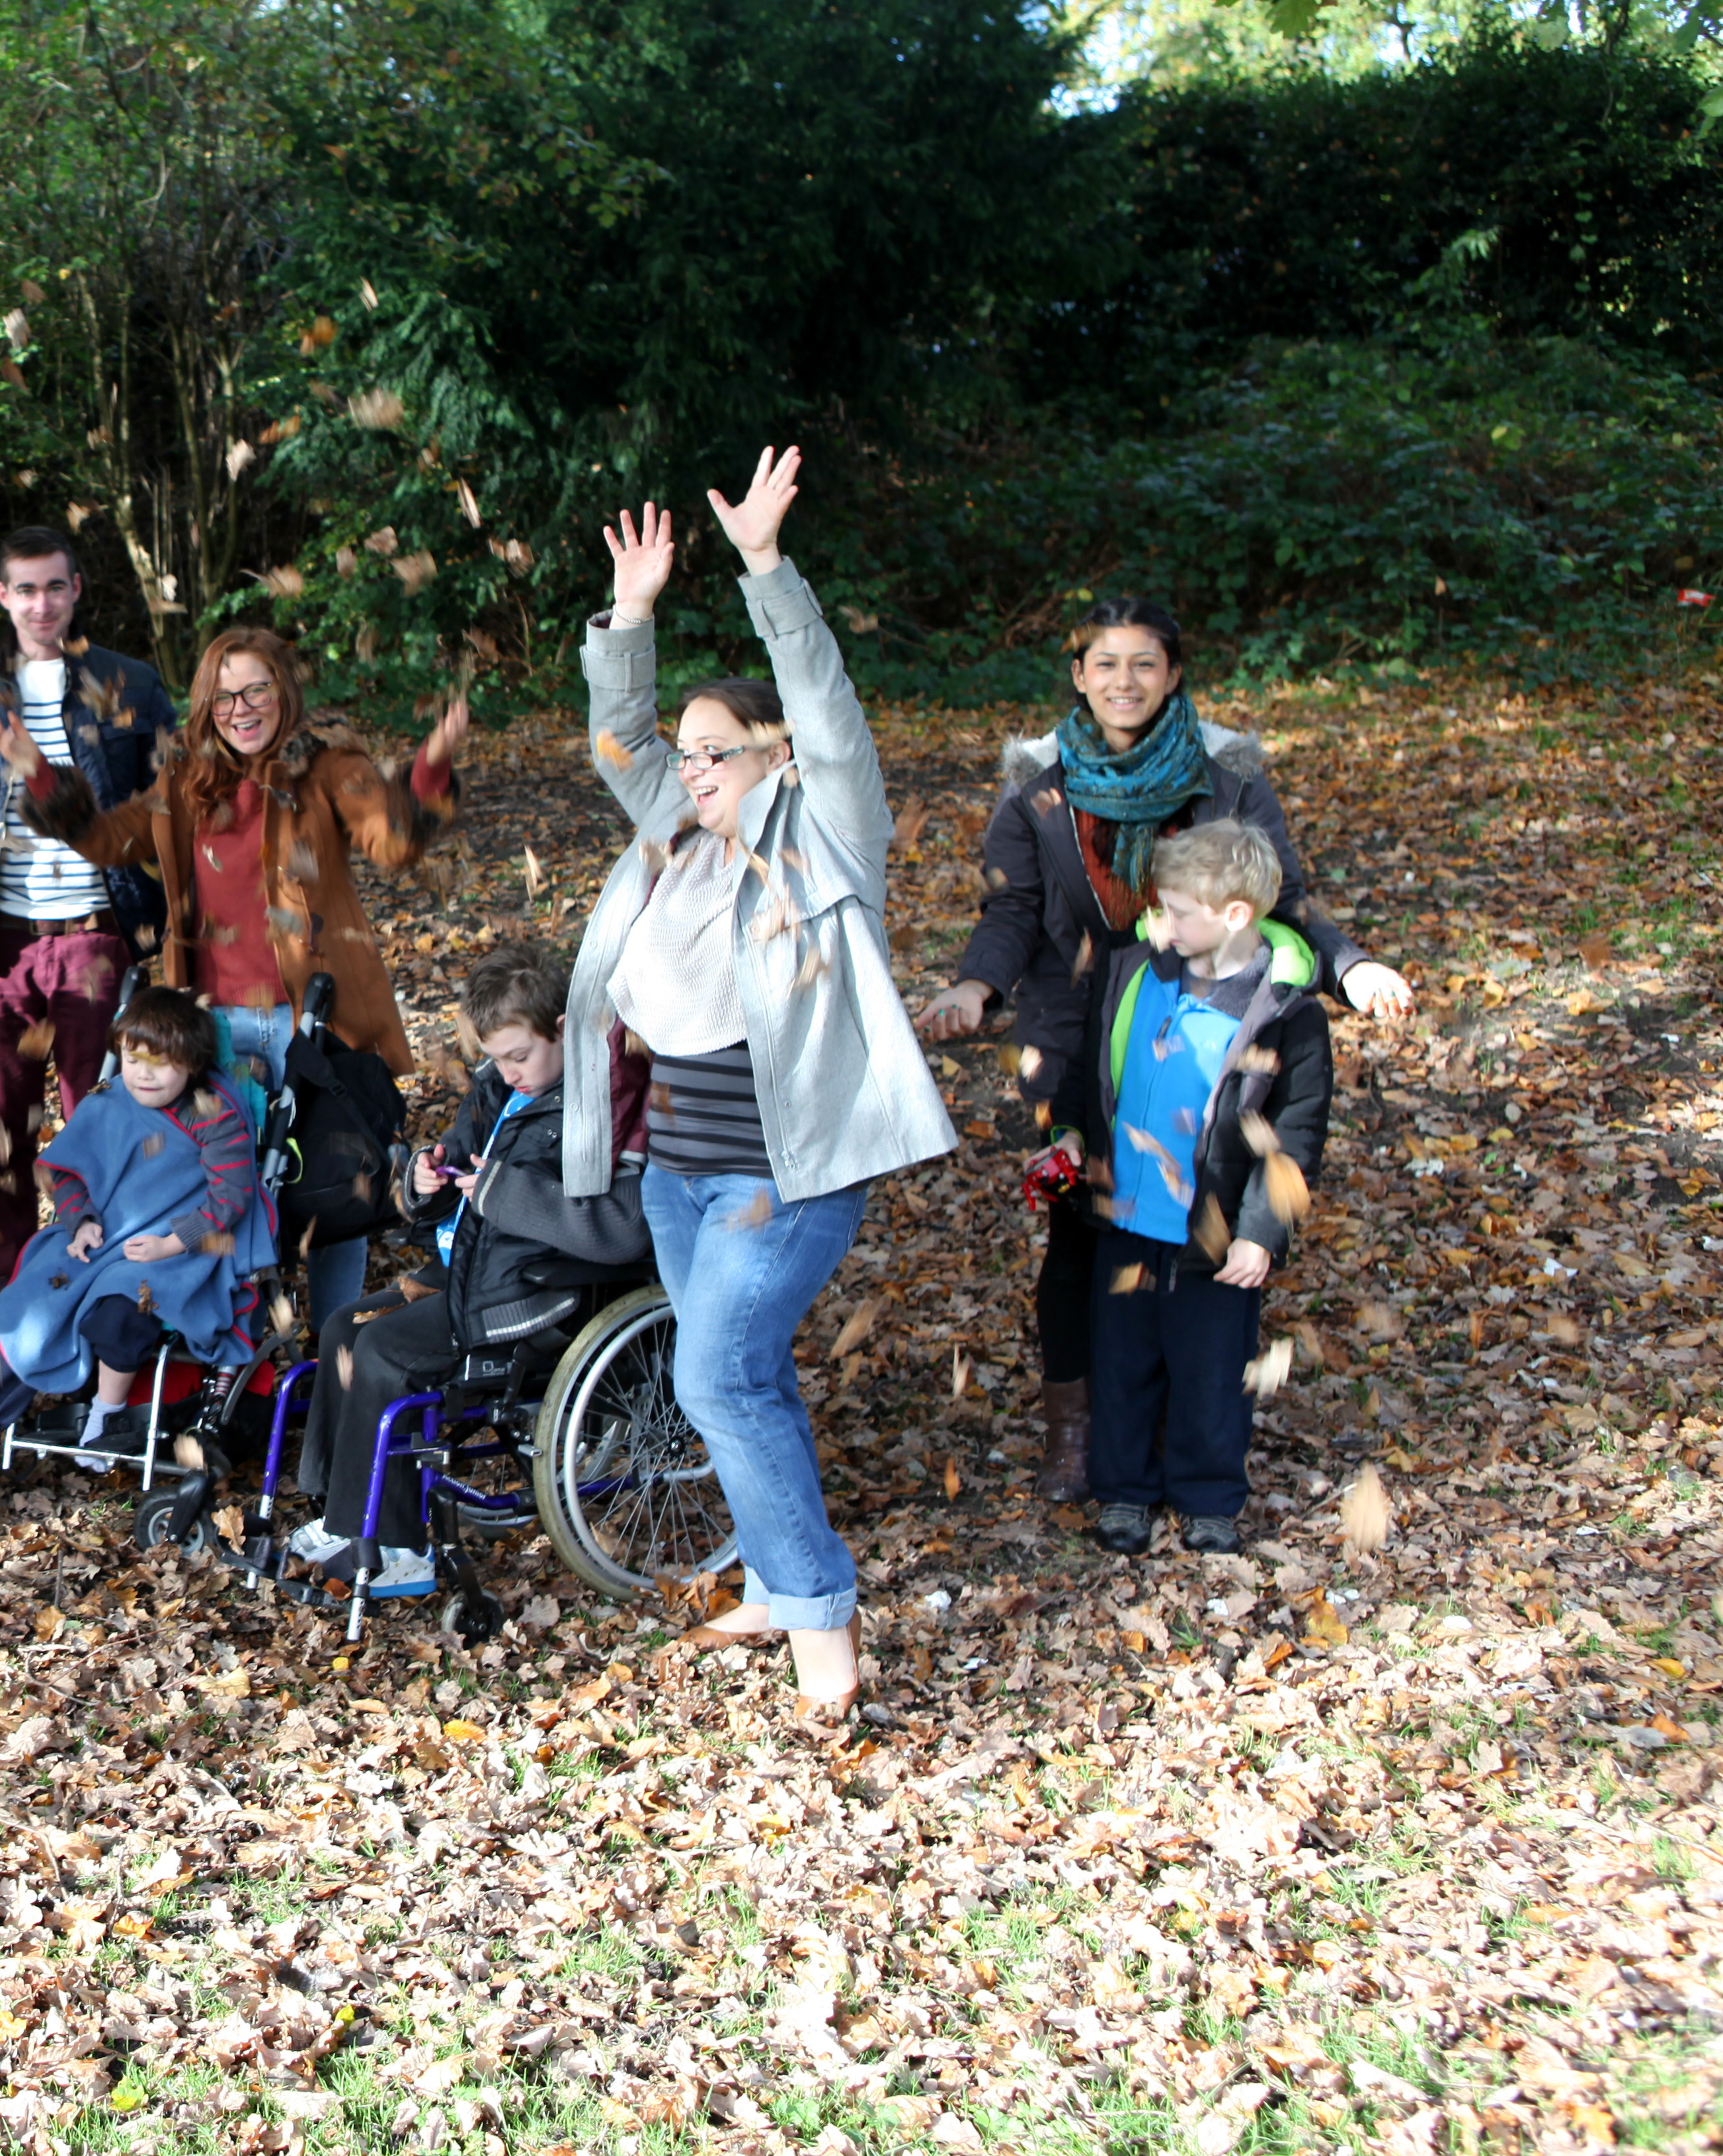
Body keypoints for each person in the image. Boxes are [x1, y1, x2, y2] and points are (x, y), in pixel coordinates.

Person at [561, 452, 955, 1715]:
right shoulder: (672, 838)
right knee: (745, 1376)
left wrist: (767, 566)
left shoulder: (827, 834)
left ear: (775, 755)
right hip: (678, 1172)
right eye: (684, 752)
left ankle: (820, 1617)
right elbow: (617, 738)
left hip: (780, 1176)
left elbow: (825, 705)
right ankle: (785, 1578)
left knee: (716, 1378)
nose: (689, 767)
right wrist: (630, 615)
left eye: (715, 749)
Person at [914, 599, 1407, 1503]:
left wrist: (1352, 966)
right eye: (1105, 664)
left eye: (1144, 663)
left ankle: (1188, 1412)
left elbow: (1283, 896)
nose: (1124, 682)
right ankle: (1079, 1425)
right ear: (1078, 676)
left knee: (1199, 1204)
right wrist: (977, 987)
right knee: (1081, 1224)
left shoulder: (1226, 778)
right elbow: (1012, 908)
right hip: (1077, 1026)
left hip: (1202, 1015)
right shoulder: (1037, 786)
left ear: (1174, 674)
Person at [0, 625, 466, 1338]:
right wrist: (40, 774)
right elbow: (107, 838)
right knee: (225, 1179)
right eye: (224, 697)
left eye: (256, 691)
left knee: (333, 1178)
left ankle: (335, 1342)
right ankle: (234, 1338)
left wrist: (430, 768)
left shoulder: (327, 767)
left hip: (308, 1018)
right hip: (209, 1024)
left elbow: (393, 839)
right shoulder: (186, 781)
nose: (240, 709)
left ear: (284, 692)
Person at [288, 940, 650, 1600]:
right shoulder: (497, 1088)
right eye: (496, 1057)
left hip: (533, 1289)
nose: (509, 1071)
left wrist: (504, 1194)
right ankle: (343, 1512)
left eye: (520, 1056)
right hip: (470, 1271)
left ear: (562, 1030)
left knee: (386, 1349)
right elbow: (452, 1165)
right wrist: (425, 1180)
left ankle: (399, 1545)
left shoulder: (600, 1101)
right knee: (344, 1327)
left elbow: (621, 1229)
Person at [1048, 821, 1334, 1558]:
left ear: (1236, 914)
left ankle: (1208, 1498)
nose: (1161, 922)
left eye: (1177, 910)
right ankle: (1125, 1491)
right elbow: (1092, 1063)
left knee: (1210, 1372)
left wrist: (1259, 1232)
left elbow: (1295, 1139)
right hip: (1127, 1217)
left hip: (1212, 1235)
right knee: (1122, 1364)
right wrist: (1074, 1135)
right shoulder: (1138, 971)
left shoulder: (1286, 1014)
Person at [0, 529, 182, 1283]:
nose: (41, 604)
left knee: (103, 1124)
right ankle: (19, 1290)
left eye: (55, 587)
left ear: (77, 589)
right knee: (4, 1131)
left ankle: (109, 1287)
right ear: (3, 596)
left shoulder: (129, 683)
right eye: (25, 590)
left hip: (97, 937)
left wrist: (165, 920)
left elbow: (166, 806)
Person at [0, 988, 274, 1492]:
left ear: (193, 1064)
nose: (144, 1075)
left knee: (125, 1305)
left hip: (181, 1250)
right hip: (104, 1237)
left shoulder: (213, 1112)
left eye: (161, 1064)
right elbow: (70, 1172)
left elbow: (231, 1196)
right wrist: (80, 1220)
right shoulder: (109, 1100)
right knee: (31, 1303)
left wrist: (172, 1244)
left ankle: (104, 1415)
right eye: (133, 1060)